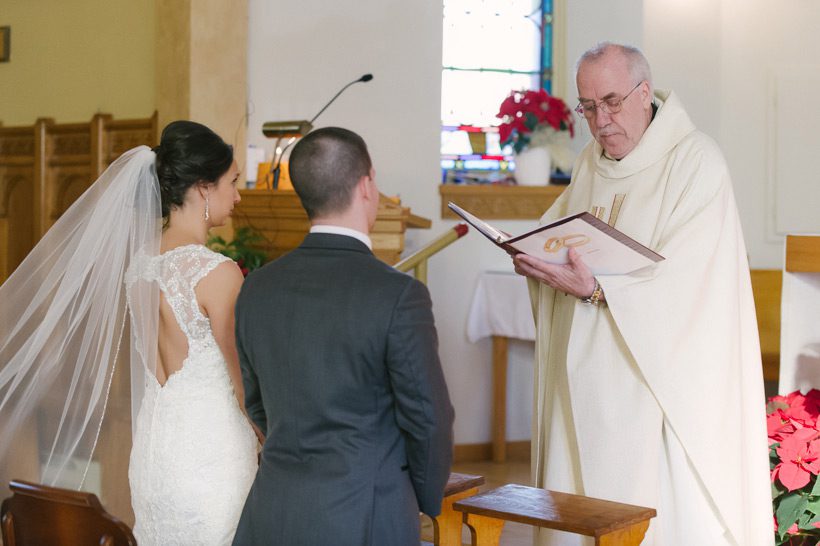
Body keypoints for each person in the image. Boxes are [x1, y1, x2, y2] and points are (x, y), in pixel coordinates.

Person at [512, 43, 772, 545]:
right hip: (586, 371)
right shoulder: (591, 161)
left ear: (645, 92)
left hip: (656, 383)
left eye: (611, 101)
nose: (600, 120)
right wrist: (530, 255)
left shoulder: (696, 161)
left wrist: (599, 288)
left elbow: (694, 280)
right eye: (587, 107)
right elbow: (558, 232)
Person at [0, 120, 260, 545]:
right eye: (231, 182)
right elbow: (245, 384)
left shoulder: (139, 266)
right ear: (202, 188)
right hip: (209, 461)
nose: (238, 194)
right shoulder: (218, 274)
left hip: (154, 460)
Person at [232, 127, 454, 546]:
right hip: (364, 515)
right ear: (367, 185)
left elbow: (257, 403)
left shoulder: (257, 287)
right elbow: (428, 418)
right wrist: (422, 498)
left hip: (271, 510)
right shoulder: (398, 294)